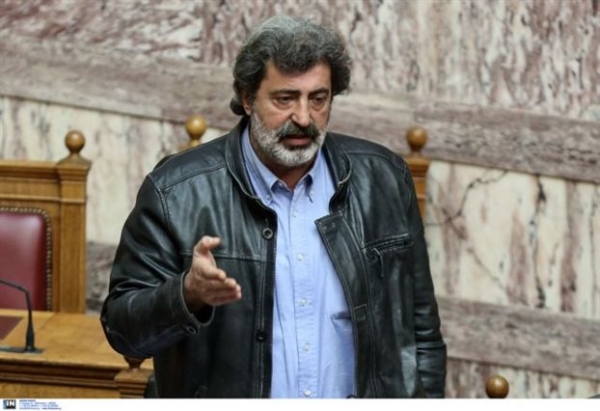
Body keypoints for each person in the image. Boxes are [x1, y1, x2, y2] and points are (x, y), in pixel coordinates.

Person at [101, 15, 446, 398]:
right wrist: (187, 294)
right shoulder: (176, 191)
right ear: (248, 98)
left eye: (318, 99)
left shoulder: (383, 180)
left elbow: (421, 331)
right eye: (285, 99)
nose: (304, 117)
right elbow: (123, 332)